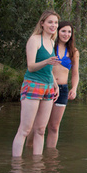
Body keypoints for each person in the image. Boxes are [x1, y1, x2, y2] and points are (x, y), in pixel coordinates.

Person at [12, 10, 62, 157]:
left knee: (40, 130)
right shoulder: (35, 40)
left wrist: (55, 85)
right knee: (25, 130)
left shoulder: (52, 41)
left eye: (56, 23)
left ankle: (37, 165)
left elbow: (49, 69)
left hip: (48, 87)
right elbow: (31, 66)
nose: (53, 25)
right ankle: (16, 166)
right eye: (50, 22)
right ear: (42, 23)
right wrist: (46, 61)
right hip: (33, 84)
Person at [41, 21, 80, 148]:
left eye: (69, 32)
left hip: (62, 90)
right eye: (63, 31)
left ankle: (50, 158)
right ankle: (32, 153)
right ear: (57, 32)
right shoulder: (50, 46)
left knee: (53, 126)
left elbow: (75, 73)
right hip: (47, 86)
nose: (66, 34)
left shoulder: (74, 51)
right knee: (40, 125)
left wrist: (74, 88)